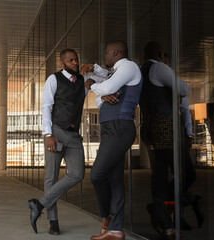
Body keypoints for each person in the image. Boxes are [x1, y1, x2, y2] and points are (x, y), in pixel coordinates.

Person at [139, 41, 203, 239]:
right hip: (166, 127)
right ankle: (176, 203)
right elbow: (183, 89)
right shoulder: (159, 68)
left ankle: (165, 222)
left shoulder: (140, 71)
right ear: (160, 54)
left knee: (159, 176)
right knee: (187, 173)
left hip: (149, 128)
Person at [82, 40, 142, 240]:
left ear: (114, 52)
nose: (105, 57)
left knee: (97, 175)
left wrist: (91, 84)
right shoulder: (116, 71)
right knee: (115, 179)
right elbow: (102, 96)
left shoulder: (129, 67)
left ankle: (107, 218)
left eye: (106, 54)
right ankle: (116, 230)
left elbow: (106, 86)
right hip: (110, 128)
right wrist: (101, 91)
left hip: (119, 127)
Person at [27, 48, 89, 235]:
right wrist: (47, 134)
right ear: (62, 63)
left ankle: (39, 204)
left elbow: (103, 80)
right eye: (70, 60)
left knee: (78, 174)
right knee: (51, 177)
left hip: (73, 135)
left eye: (76, 60)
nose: (75, 63)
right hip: (56, 132)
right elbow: (46, 107)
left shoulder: (83, 80)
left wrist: (94, 68)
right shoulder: (53, 79)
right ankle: (53, 222)